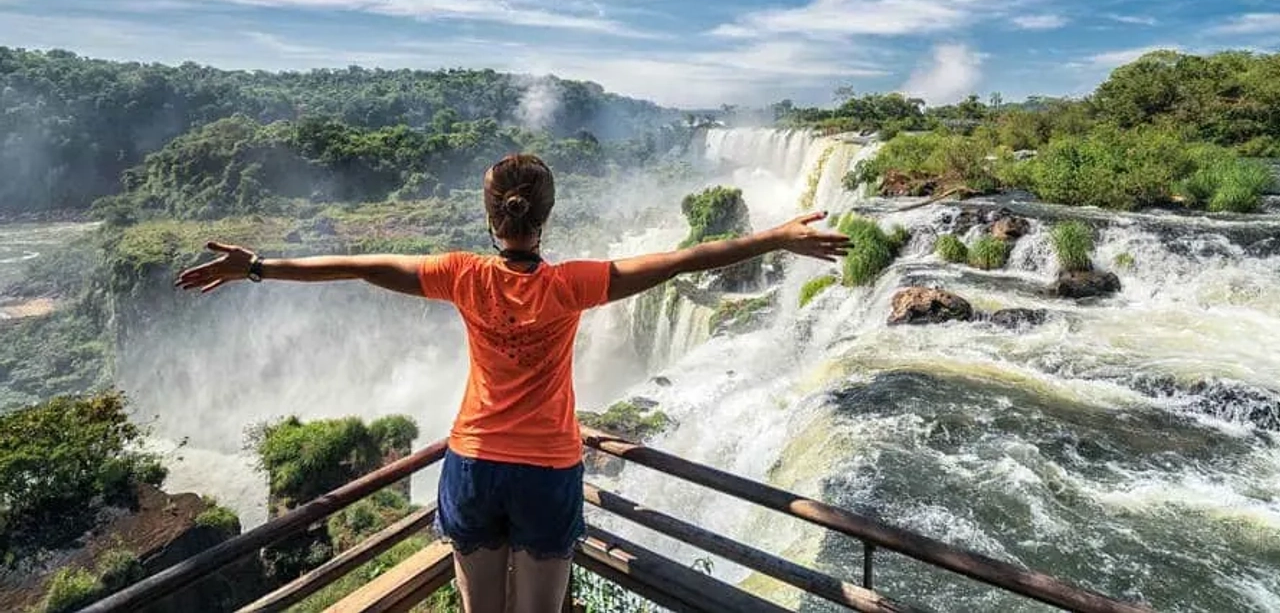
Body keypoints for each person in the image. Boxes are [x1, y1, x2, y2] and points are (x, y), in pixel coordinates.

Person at [176, 153, 851, 613]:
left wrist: (257, 267)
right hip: (548, 470)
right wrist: (774, 239)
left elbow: (358, 266)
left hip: (472, 463)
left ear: (491, 216)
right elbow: (683, 260)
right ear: (544, 217)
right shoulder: (574, 284)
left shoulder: (461, 275)